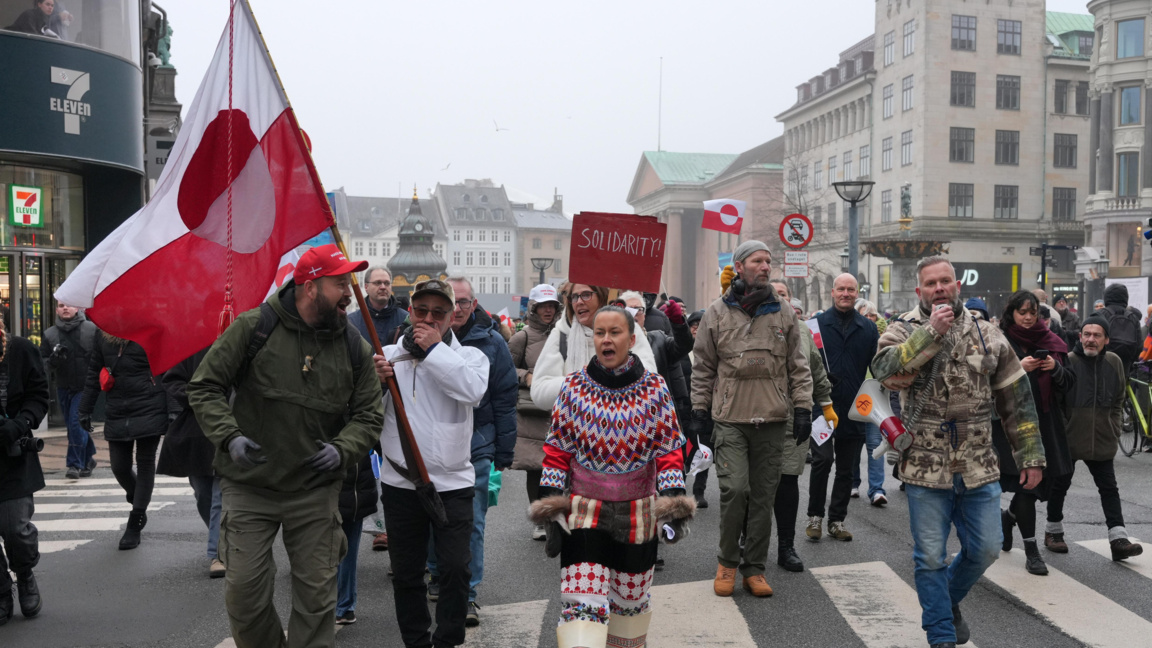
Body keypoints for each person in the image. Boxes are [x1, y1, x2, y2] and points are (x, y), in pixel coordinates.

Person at [188, 244, 384, 648]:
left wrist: (344, 448)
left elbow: (368, 416)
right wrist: (229, 435)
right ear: (310, 287)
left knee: (317, 600)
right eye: (340, 283)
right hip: (249, 486)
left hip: (314, 490)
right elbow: (205, 386)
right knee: (244, 594)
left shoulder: (354, 347)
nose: (349, 292)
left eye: (349, 282)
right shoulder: (253, 326)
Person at [873, 256, 1045, 648]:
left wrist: (1031, 456)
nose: (938, 288)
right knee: (930, 556)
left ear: (957, 286)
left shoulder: (988, 333)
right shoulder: (902, 329)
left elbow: (1017, 398)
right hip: (924, 466)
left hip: (978, 464)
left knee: (984, 549)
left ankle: (944, 602)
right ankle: (941, 636)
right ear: (919, 291)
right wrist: (928, 335)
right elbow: (883, 369)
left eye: (945, 281)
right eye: (930, 283)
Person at [529, 306, 693, 648]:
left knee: (629, 611)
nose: (606, 339)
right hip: (585, 510)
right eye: (599, 332)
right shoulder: (573, 387)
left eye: (614, 332)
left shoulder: (655, 389)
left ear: (631, 339)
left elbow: (668, 453)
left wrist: (674, 504)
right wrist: (550, 505)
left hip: (639, 512)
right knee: (581, 610)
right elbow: (558, 451)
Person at [692, 240, 813, 598]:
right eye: (758, 261)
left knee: (763, 496)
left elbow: (798, 366)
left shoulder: (783, 312)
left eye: (768, 261)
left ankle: (754, 568)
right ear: (740, 266)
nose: (765, 266)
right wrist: (699, 410)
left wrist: (804, 408)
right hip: (730, 418)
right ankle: (728, 562)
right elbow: (702, 367)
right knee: (735, 490)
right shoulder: (716, 312)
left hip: (773, 419)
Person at [374, 278, 489, 648]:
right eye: (421, 311)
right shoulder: (388, 355)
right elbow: (362, 413)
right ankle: (416, 642)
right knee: (407, 574)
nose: (427, 319)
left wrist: (436, 351)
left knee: (455, 568)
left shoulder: (471, 357)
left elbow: (471, 391)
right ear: (410, 312)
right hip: (401, 482)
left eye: (437, 313)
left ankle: (448, 639)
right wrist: (374, 383)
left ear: (451, 316)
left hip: (453, 482)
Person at [425, 276, 517, 627]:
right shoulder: (417, 339)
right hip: (432, 446)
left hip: (476, 444)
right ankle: (436, 573)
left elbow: (506, 399)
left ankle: (467, 596)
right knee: (434, 516)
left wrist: (504, 451)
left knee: (472, 523)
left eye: (465, 302)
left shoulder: (493, 343)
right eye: (454, 302)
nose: (459, 308)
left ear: (473, 304)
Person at [1045, 315, 1144, 561]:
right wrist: (1064, 427)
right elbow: (1055, 401)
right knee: (1059, 485)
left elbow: (1120, 397)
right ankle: (1053, 531)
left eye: (1097, 335)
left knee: (1109, 488)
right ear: (1080, 337)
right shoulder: (1068, 361)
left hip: (1102, 437)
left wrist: (1113, 425)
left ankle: (1118, 539)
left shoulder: (1114, 362)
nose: (1090, 339)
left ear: (1106, 339)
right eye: (1086, 334)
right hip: (1070, 437)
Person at [994, 291, 1074, 576]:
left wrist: (1055, 369)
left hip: (1048, 423)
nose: (1028, 318)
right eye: (1022, 312)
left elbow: (1069, 384)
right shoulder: (1000, 341)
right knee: (1026, 485)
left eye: (1033, 312)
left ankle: (1008, 518)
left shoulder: (1052, 340)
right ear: (1011, 314)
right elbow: (990, 383)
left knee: (1047, 483)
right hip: (1015, 424)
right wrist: (1019, 369)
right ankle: (1031, 550)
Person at [79, 332, 170, 550]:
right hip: (117, 407)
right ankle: (138, 494)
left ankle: (135, 521)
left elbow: (168, 370)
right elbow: (94, 373)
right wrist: (85, 409)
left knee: (146, 461)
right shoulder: (102, 335)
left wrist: (173, 409)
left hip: (150, 405)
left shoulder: (152, 331)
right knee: (119, 466)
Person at [806, 274, 880, 541]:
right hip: (822, 407)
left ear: (856, 292)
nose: (846, 293)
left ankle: (836, 521)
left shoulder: (869, 329)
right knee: (823, 460)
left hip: (855, 407)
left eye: (851, 289)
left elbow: (878, 368)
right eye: (841, 289)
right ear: (832, 292)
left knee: (847, 469)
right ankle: (815, 516)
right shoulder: (814, 326)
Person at [770, 280, 834, 572]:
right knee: (751, 487)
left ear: (790, 298)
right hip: (755, 418)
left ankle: (786, 547)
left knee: (787, 482)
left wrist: (826, 403)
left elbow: (816, 370)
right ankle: (746, 541)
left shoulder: (804, 331)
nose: (778, 298)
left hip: (794, 418)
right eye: (773, 294)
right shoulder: (749, 327)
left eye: (782, 294)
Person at [348, 266, 406, 552]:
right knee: (364, 469)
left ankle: (392, 530)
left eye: (387, 282)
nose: (383, 287)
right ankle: (372, 525)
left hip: (395, 404)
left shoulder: (404, 319)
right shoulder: (352, 321)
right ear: (366, 286)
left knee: (394, 467)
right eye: (378, 283)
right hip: (361, 404)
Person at [530, 284, 657, 412]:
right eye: (574, 297)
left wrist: (615, 377)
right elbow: (539, 391)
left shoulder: (628, 329)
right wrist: (581, 383)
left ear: (601, 297)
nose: (579, 302)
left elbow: (650, 380)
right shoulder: (562, 334)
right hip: (576, 426)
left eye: (586, 295)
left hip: (624, 423)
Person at [0, 324, 51, 625]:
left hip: (12, 454)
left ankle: (25, 573)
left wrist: (20, 424)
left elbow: (38, 396)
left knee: (16, 527)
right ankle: (2, 592)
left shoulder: (20, 350)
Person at [158, 348, 224, 578]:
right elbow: (172, 380)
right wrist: (198, 396)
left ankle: (219, 552)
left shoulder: (240, 336)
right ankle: (222, 537)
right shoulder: (192, 345)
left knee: (220, 496)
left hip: (230, 426)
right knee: (203, 493)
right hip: (196, 430)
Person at [508, 284, 562, 540]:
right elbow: (506, 369)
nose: (548, 310)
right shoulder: (522, 337)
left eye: (552, 305)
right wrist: (527, 376)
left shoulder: (565, 334)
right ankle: (539, 519)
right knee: (536, 468)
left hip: (562, 409)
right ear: (534, 309)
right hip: (534, 411)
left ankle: (557, 514)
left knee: (561, 465)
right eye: (543, 306)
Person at [40, 300, 98, 480]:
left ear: (78, 308)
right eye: (61, 305)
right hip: (63, 387)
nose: (65, 308)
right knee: (74, 426)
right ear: (56, 309)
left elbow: (101, 356)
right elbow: (43, 365)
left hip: (85, 387)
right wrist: (54, 360)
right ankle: (89, 458)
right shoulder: (50, 334)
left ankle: (74, 464)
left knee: (75, 423)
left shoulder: (91, 329)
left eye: (69, 304)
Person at [335, 452, 378, 625]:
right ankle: (344, 607)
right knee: (347, 549)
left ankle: (341, 606)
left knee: (320, 549)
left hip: (348, 483)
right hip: (353, 482)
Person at [685, 308, 709, 506]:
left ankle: (699, 491)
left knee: (704, 448)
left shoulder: (711, 351)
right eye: (694, 326)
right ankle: (678, 485)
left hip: (705, 409)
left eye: (701, 326)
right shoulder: (680, 350)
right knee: (684, 450)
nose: (697, 329)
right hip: (684, 408)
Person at [1098, 283, 1144, 375]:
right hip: (1125, 367)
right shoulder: (1133, 317)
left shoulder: (1100, 314)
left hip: (1102, 365)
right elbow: (1139, 345)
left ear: (1106, 297)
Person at [5, 0, 69, 38]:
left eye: (52, 5)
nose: (50, 7)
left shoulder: (46, 20)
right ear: (39, 4)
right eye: (47, 4)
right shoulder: (29, 15)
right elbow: (33, 36)